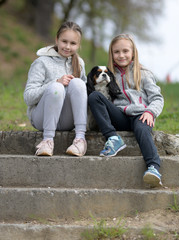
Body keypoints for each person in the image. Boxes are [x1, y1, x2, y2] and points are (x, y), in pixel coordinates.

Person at [88, 34, 164, 187]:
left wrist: (150, 112)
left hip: (140, 115)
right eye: (116, 52)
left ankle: (153, 168)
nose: (121, 55)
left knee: (142, 131)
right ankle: (113, 139)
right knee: (95, 97)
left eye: (125, 51)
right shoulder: (109, 74)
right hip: (120, 115)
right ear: (111, 54)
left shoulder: (144, 73)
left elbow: (157, 98)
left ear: (133, 53)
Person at [24, 21, 87, 157]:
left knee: (78, 83)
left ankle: (80, 139)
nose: (68, 47)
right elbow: (28, 97)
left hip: (67, 120)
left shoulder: (79, 64)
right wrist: (55, 82)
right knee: (56, 87)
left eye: (73, 43)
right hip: (42, 118)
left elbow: (82, 97)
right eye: (64, 41)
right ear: (56, 39)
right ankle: (47, 141)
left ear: (78, 45)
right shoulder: (42, 62)